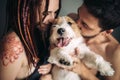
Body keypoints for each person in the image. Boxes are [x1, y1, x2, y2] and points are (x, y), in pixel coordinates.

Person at [0, 0, 61, 80]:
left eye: (55, 12)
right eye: (45, 13)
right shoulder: (13, 45)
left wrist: (51, 67)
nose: (53, 19)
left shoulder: (42, 31)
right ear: (27, 10)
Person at [66, 0, 120, 80]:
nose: (76, 23)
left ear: (106, 32)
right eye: (78, 14)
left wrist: (83, 71)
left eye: (84, 25)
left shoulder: (114, 52)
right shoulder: (71, 19)